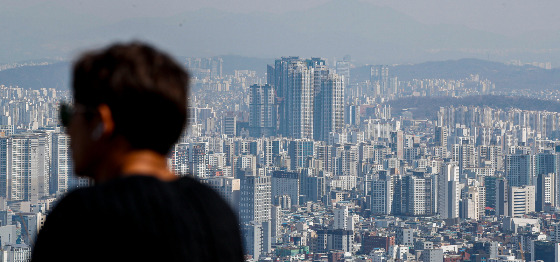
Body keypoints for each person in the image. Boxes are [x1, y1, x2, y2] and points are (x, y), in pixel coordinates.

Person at [31, 42, 244, 261]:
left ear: (102, 122)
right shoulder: (215, 211)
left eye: (69, 114)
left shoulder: (80, 218)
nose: (67, 130)